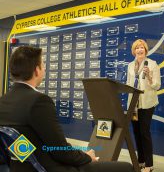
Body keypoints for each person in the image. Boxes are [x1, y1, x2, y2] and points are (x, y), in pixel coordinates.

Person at [0, 46, 134, 172]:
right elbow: (61, 152)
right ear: (36, 70)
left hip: (21, 167)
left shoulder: (4, 101)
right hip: (50, 168)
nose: (45, 69)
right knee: (126, 167)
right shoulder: (39, 101)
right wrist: (87, 157)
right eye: (43, 65)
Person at [127, 39, 161, 172]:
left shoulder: (152, 64)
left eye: (142, 47)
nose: (139, 50)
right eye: (137, 48)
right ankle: (140, 161)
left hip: (147, 103)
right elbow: (129, 83)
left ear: (146, 50)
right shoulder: (130, 65)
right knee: (136, 132)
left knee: (144, 132)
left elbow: (157, 86)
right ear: (134, 51)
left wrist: (149, 77)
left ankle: (149, 164)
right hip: (134, 104)